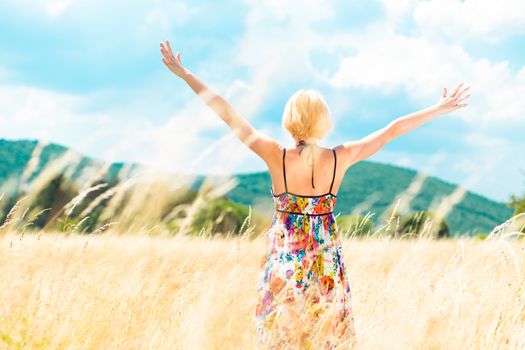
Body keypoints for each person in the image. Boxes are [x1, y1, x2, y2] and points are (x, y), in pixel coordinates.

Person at [159, 40, 470, 349]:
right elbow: (391, 130)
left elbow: (228, 114)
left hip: (286, 261)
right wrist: (437, 109)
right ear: (323, 119)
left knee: (283, 337)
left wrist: (186, 74)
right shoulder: (340, 157)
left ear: (290, 118)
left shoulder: (275, 155)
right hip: (326, 262)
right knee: (325, 336)